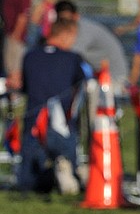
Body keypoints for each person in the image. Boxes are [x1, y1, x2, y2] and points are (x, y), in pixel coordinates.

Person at [18, 16, 89, 195]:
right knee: (71, 177)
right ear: (66, 35)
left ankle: (51, 174)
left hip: (33, 129)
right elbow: (84, 88)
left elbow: (24, 88)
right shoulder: (73, 59)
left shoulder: (30, 56)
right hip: (62, 129)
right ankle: (66, 171)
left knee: (28, 183)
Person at [57, 0, 130, 90]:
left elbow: (68, 56)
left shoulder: (83, 31)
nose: (65, 24)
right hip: (101, 76)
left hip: (114, 78)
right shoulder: (80, 28)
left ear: (76, 16)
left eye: (67, 20)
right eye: (61, 21)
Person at [2, 0, 33, 90]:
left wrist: (16, 33)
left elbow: (23, 15)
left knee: (15, 66)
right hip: (7, 31)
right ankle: (11, 93)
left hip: (16, 34)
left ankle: (15, 94)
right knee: (8, 65)